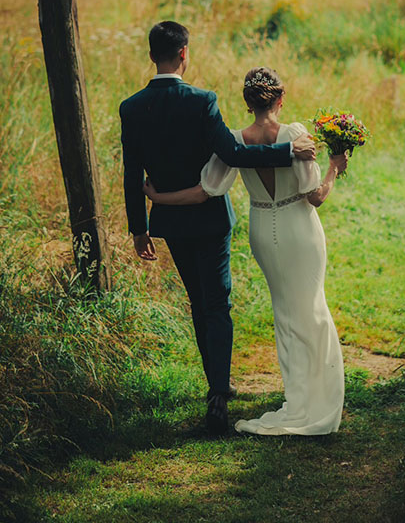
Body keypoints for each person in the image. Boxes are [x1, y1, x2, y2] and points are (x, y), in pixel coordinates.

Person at [119, 23, 316, 436]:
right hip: (210, 220)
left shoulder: (131, 107)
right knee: (217, 303)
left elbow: (132, 172)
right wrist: (287, 150)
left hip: (169, 222)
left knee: (197, 302)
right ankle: (218, 395)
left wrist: (139, 228)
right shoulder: (202, 101)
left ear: (152, 54)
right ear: (184, 54)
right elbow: (232, 154)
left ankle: (216, 386)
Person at [144, 65, 346, 436]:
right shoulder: (295, 134)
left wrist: (158, 198)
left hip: (262, 230)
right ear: (281, 99)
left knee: (285, 310)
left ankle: (299, 393)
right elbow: (314, 196)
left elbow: (204, 191)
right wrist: (334, 168)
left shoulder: (234, 141)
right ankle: (319, 395)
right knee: (312, 306)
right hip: (298, 229)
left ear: (246, 102)